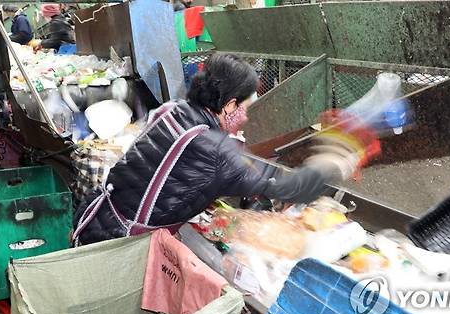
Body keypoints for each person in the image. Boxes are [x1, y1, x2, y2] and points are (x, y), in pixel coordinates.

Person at [73, 53, 361, 245]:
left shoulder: (175, 109)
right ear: (229, 105)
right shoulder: (215, 151)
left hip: (98, 214)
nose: (247, 116)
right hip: (119, 243)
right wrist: (332, 164)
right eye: (245, 107)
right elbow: (284, 187)